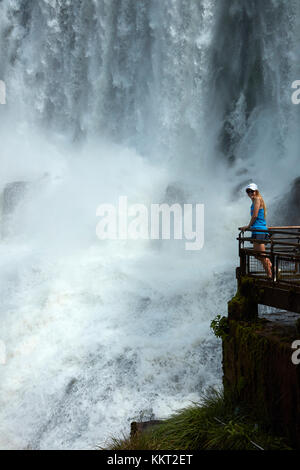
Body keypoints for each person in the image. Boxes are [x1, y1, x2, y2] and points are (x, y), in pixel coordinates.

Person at [239, 183, 272, 279]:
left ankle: (270, 275)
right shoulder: (253, 201)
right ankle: (272, 267)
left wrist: (248, 226)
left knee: (261, 256)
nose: (250, 193)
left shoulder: (257, 199)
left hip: (259, 230)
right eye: (248, 191)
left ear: (256, 191)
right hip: (256, 230)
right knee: (258, 255)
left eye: (252, 191)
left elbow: (255, 215)